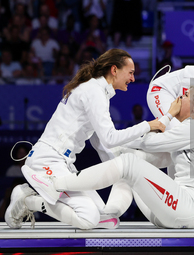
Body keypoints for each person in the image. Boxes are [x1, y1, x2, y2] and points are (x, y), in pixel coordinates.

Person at [19, 86, 194, 229]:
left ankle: (55, 182)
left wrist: (113, 137)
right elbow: (158, 158)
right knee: (130, 162)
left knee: (130, 163)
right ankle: (108, 214)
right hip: (183, 210)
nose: (177, 98)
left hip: (186, 208)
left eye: (184, 96)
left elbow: (148, 142)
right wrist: (110, 145)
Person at [5, 49, 165, 230]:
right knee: (89, 218)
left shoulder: (98, 92)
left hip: (64, 164)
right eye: (130, 72)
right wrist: (148, 126)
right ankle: (29, 199)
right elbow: (111, 138)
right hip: (47, 161)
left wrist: (122, 171)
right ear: (114, 70)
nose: (133, 78)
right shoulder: (93, 91)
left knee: (104, 218)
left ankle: (39, 194)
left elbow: (101, 143)